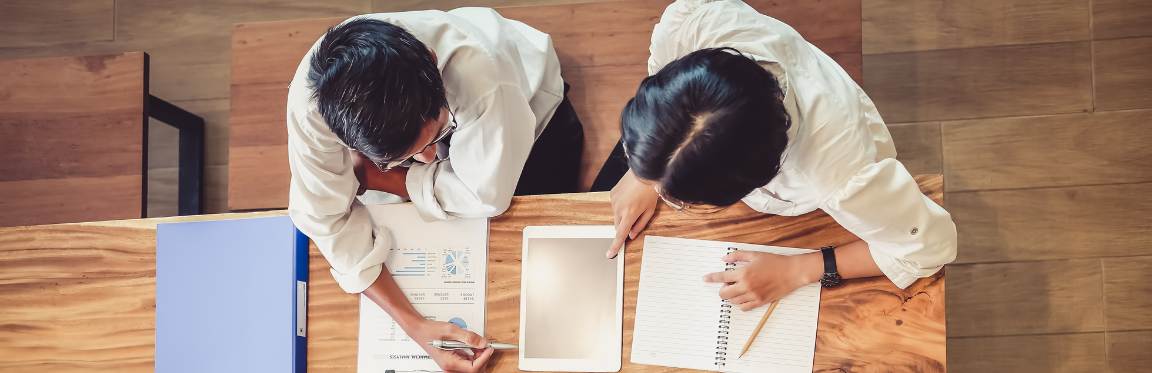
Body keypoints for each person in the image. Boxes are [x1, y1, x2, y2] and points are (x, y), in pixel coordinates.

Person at [594, 0, 957, 311]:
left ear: (755, 177)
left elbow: (928, 248)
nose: (662, 193)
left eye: (681, 198)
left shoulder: (839, 177)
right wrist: (651, 166)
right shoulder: (694, 26)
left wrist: (797, 270)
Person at [286, 9, 583, 372]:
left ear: (432, 59)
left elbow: (486, 195)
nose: (428, 159)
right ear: (343, 137)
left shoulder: (482, 76)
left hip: (533, 108)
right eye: (403, 158)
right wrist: (415, 326)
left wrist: (387, 178)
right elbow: (324, 220)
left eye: (437, 135)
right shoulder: (312, 109)